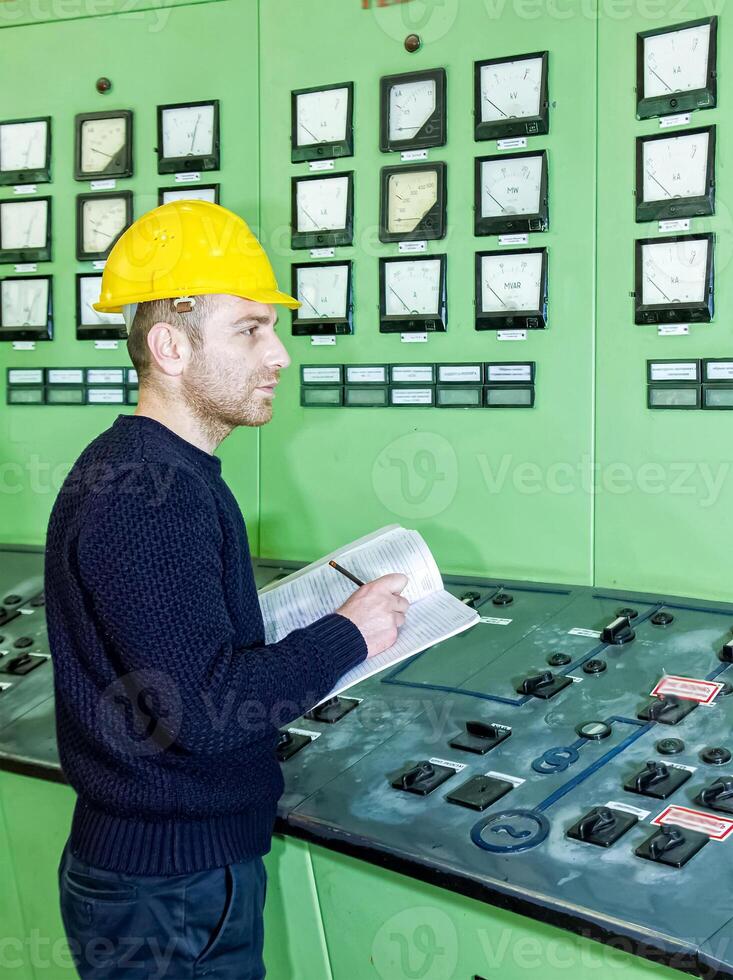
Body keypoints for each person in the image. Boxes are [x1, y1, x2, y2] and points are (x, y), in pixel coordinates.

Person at [45, 200, 409, 979]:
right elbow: (202, 710)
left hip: (169, 874)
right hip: (171, 890)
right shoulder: (148, 492)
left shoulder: (159, 472)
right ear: (171, 347)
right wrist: (349, 632)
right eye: (249, 330)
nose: (278, 354)